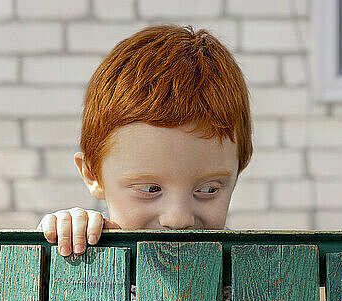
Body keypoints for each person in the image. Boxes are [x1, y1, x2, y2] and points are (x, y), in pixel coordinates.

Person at [37, 23, 253, 256]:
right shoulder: (88, 256)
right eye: (150, 189)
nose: (178, 220)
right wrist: (60, 240)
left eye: (209, 189)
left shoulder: (253, 277)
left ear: (238, 170)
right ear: (92, 174)